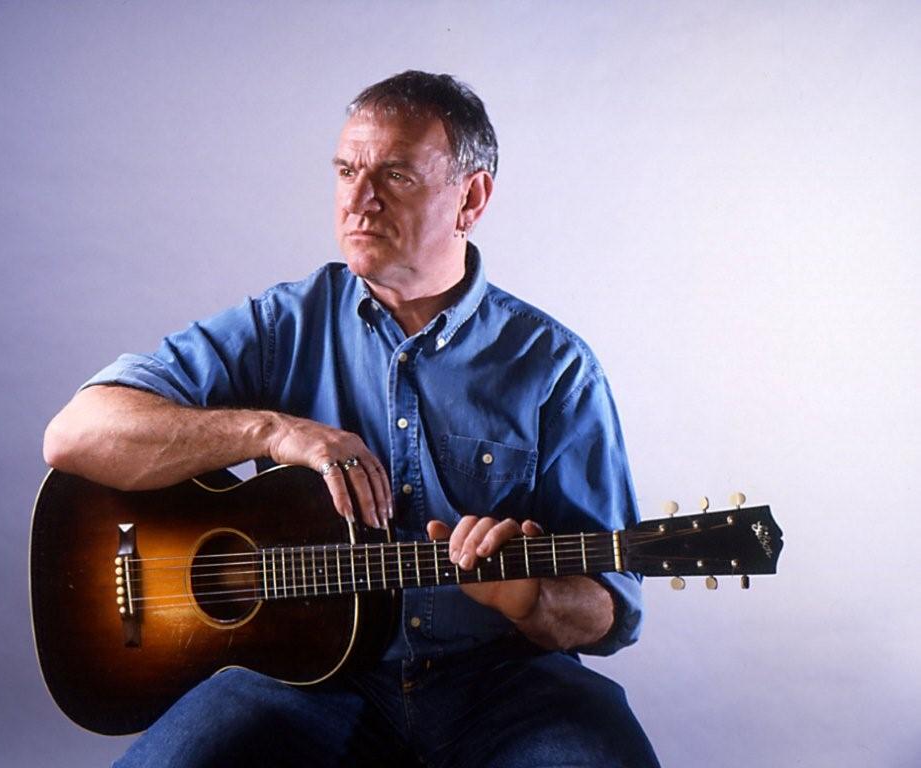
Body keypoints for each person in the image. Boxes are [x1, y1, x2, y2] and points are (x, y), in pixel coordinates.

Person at [44, 70, 660, 768]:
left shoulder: (555, 367)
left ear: (472, 197)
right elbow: (75, 434)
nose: (358, 201)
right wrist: (276, 431)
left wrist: (528, 599)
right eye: (346, 171)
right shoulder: (282, 325)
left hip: (504, 685)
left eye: (393, 175)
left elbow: (608, 604)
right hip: (299, 684)